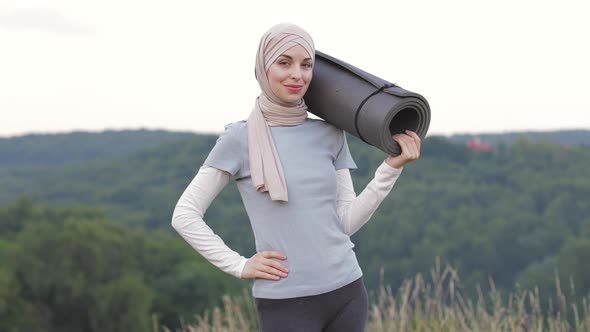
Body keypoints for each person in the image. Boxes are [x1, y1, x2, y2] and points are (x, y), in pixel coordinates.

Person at [171, 23, 421, 332]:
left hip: (347, 292)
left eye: (306, 65)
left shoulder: (329, 132)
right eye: (284, 62)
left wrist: (390, 169)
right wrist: (239, 264)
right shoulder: (239, 139)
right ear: (264, 67)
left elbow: (345, 223)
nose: (297, 74)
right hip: (285, 303)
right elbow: (185, 215)